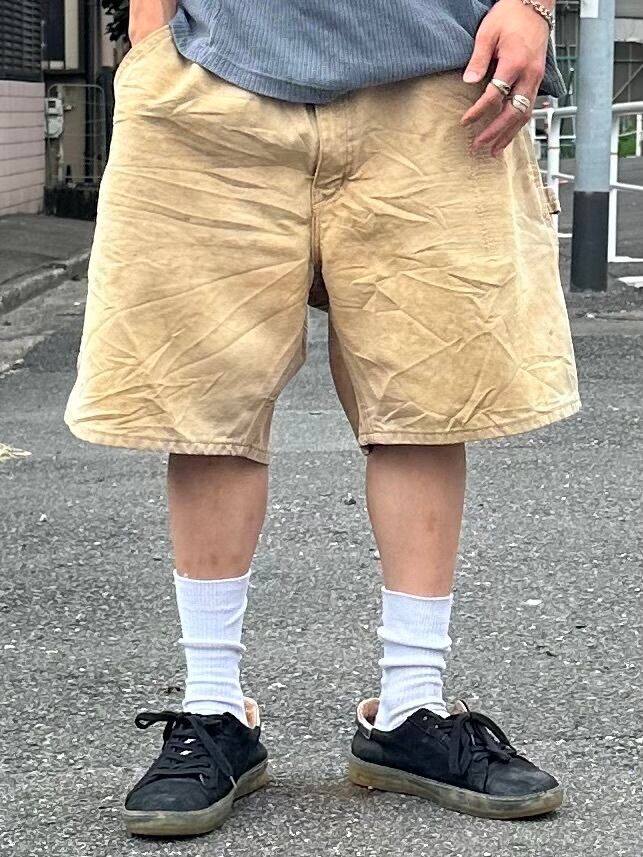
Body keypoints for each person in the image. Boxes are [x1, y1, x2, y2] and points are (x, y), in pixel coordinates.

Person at [65, 0, 579, 837]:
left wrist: (531, 6)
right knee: (205, 398)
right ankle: (213, 706)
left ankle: (410, 710)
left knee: (427, 396)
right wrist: (153, 33)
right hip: (209, 72)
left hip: (441, 78)